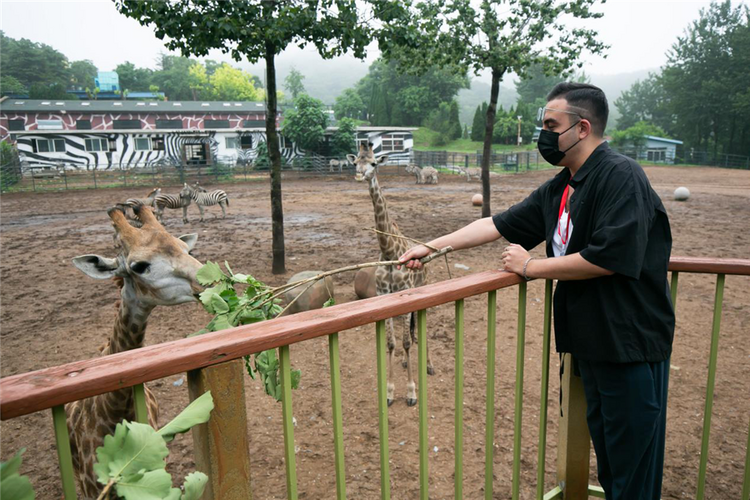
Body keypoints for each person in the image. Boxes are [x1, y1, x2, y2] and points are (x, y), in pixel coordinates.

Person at [399, 82, 675, 500]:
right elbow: (495, 224)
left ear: (582, 128)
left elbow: (609, 256)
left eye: (551, 124)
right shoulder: (562, 186)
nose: (543, 133)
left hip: (629, 345)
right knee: (615, 466)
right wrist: (432, 246)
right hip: (594, 346)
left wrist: (532, 267)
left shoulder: (621, 175)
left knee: (633, 473)